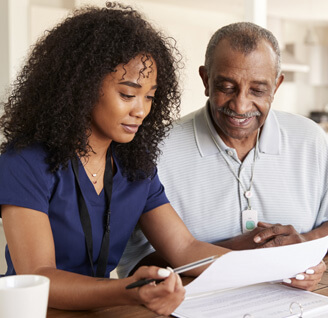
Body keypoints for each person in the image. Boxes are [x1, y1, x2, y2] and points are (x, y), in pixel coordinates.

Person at [0, 3, 230, 315]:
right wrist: (131, 290)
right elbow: (40, 277)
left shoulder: (136, 166)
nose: (141, 110)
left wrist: (273, 269)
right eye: (127, 94)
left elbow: (185, 248)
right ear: (81, 86)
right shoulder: (24, 162)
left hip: (105, 310)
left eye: (149, 96)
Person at [117, 22, 328, 291]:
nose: (240, 105)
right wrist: (249, 252)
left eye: (258, 90)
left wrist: (303, 249)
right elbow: (136, 267)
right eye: (227, 87)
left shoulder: (312, 140)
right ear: (206, 80)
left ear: (277, 85)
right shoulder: (155, 150)